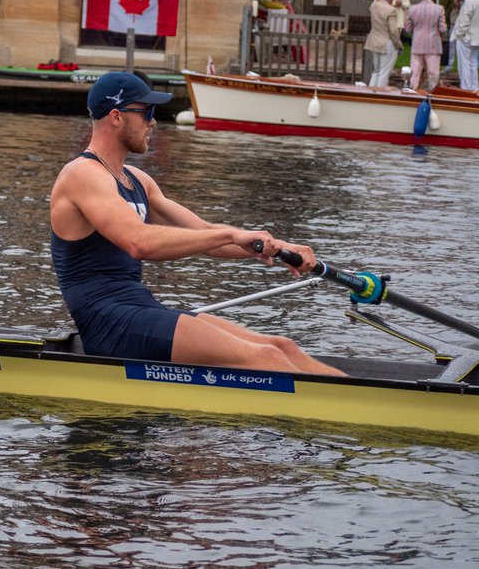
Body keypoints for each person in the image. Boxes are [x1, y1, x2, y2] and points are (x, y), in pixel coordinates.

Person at [50, 71, 343, 376]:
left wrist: (279, 246)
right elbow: (139, 243)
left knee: (283, 347)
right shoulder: (83, 174)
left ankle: (353, 401)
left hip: (140, 310)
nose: (153, 122)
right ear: (116, 117)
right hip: (108, 322)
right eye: (147, 112)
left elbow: (203, 232)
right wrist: (231, 234)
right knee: (267, 358)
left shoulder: (139, 181)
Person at [404, 0, 447, 92]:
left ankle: (412, 90)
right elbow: (443, 29)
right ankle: (432, 93)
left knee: (414, 72)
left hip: (417, 43)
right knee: (433, 72)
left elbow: (407, 28)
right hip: (433, 44)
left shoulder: (412, 8)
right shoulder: (439, 9)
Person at [445, 0, 477, 75]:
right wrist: (453, 1)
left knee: (466, 40)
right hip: (453, 11)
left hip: (468, 13)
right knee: (452, 40)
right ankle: (449, 65)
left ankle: (464, 65)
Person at [365, 0, 400, 88]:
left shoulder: (373, 6)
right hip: (386, 42)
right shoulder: (391, 10)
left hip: (374, 41)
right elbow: (393, 31)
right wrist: (398, 44)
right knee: (384, 71)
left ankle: (370, 92)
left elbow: (376, 2)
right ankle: (380, 94)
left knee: (376, 70)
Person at [453, 0, 479, 92]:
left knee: (464, 63)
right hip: (477, 37)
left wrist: (459, 35)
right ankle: (474, 87)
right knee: (472, 63)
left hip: (466, 36)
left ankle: (466, 89)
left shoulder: (470, 1)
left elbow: (464, 20)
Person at [433, 0, 455, 68]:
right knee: (431, 44)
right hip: (431, 19)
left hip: (444, 20)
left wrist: (443, 17)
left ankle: (441, 66)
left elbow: (451, 5)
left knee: (443, 44)